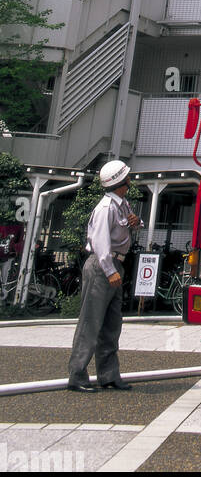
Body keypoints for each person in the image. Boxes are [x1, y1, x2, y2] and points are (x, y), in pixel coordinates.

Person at [67, 161, 142, 392]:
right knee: (91, 322)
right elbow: (100, 244)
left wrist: (137, 222)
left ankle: (108, 375)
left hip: (115, 266)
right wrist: (110, 272)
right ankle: (77, 375)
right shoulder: (106, 208)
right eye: (127, 176)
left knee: (112, 324)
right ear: (121, 181)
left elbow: (131, 228)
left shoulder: (123, 204)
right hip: (103, 267)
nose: (130, 179)